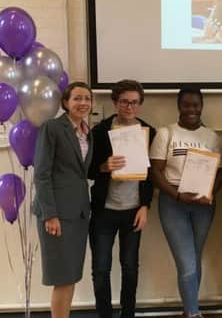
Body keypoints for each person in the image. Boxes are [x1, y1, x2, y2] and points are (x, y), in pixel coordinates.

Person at [149, 88, 222, 318]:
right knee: (187, 262)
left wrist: (210, 192)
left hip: (203, 205)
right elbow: (156, 172)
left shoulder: (211, 137)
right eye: (186, 105)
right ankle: (193, 313)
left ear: (202, 106)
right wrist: (178, 195)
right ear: (179, 106)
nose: (191, 110)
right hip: (174, 204)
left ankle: (190, 310)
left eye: (196, 105)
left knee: (194, 257)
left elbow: (221, 172)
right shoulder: (166, 133)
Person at [88, 80, 156, 318]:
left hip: (133, 211)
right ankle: (104, 315)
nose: (129, 107)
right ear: (115, 102)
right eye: (125, 102)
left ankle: (128, 314)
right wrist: (104, 166)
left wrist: (145, 206)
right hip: (104, 211)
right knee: (101, 269)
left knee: (129, 269)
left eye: (135, 102)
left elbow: (151, 176)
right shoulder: (99, 131)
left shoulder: (149, 132)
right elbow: (87, 170)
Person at [33, 81, 93, 318]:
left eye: (87, 98)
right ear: (66, 103)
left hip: (78, 214)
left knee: (71, 276)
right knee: (62, 277)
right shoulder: (53, 128)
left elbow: (80, 171)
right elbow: (42, 173)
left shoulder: (87, 132)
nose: (83, 103)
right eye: (77, 98)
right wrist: (50, 214)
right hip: (56, 214)